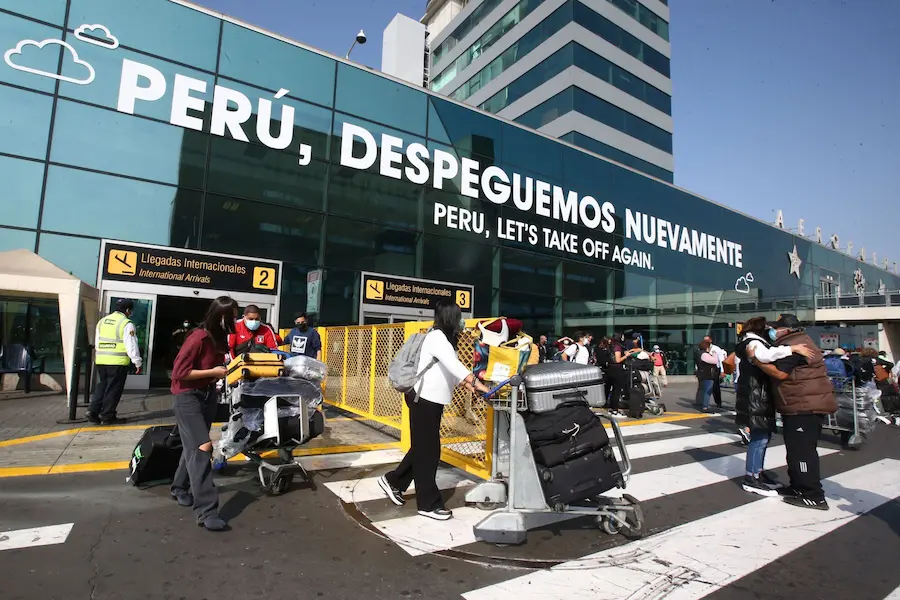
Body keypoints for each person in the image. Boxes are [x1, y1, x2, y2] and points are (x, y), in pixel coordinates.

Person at [378, 299, 492, 520]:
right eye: (458, 316)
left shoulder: (445, 340)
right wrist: (479, 384)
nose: (462, 321)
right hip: (423, 400)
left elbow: (450, 373)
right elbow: (455, 366)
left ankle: (394, 480)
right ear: (450, 317)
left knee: (423, 448)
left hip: (431, 401)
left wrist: (474, 387)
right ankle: (427, 504)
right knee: (429, 452)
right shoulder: (437, 337)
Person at [753, 314, 837, 511]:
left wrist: (757, 362)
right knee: (795, 451)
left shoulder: (797, 345)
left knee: (802, 452)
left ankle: (813, 495)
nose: (772, 331)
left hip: (804, 406)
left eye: (776, 328)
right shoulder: (794, 343)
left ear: (786, 329)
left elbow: (781, 373)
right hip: (799, 404)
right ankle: (798, 487)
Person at [169, 296, 238, 532]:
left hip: (207, 396)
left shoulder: (219, 339)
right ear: (221, 316)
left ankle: (179, 487)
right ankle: (207, 511)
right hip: (188, 397)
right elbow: (179, 373)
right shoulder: (198, 337)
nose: (237, 320)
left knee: (193, 446)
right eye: (234, 315)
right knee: (203, 447)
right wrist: (213, 371)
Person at [87, 299, 142, 425]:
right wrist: (137, 362)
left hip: (101, 360)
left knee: (102, 385)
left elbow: (97, 342)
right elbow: (131, 345)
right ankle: (107, 416)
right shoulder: (126, 323)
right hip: (117, 362)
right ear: (128, 311)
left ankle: (92, 411)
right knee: (113, 389)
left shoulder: (102, 321)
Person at [606, 333, 641, 417]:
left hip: (610, 369)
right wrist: (626, 356)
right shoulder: (617, 346)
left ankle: (611, 408)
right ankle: (615, 410)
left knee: (614, 390)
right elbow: (618, 360)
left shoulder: (611, 346)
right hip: (617, 370)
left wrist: (631, 351)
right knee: (617, 391)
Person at [695, 339, 719, 412]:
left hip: (702, 374)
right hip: (707, 374)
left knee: (702, 389)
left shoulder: (699, 353)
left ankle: (700, 403)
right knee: (707, 390)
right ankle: (705, 406)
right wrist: (714, 353)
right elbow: (715, 361)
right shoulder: (704, 354)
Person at [704, 336, 727, 407]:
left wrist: (723, 371)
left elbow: (721, 360)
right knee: (707, 386)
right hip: (707, 369)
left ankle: (718, 402)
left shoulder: (716, 349)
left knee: (715, 386)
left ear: (711, 340)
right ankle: (705, 402)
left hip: (716, 369)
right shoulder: (703, 348)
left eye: (707, 340)